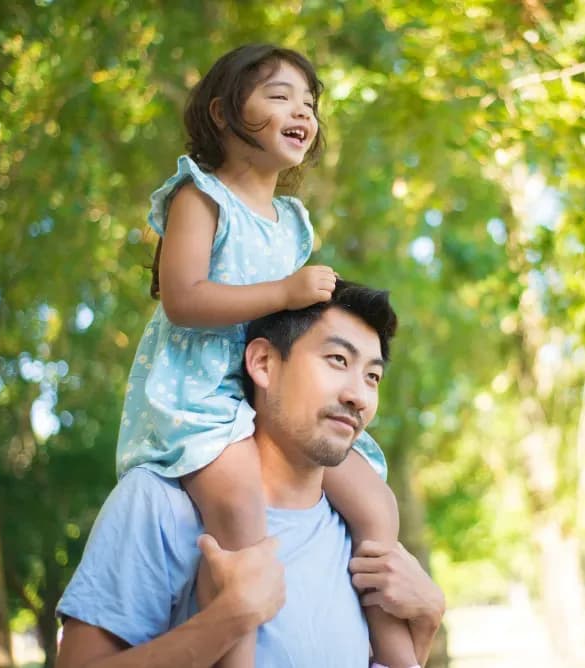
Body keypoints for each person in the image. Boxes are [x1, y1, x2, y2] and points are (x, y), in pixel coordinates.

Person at [113, 45, 414, 666]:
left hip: (269, 396)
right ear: (223, 113)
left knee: (377, 504)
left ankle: (399, 655)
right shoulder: (199, 197)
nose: (301, 111)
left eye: (309, 103)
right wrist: (283, 290)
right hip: (202, 396)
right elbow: (183, 299)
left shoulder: (291, 221)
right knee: (243, 511)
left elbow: (292, 331)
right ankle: (238, 656)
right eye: (279, 96)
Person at [56, 280, 445, 667]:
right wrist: (227, 620)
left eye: (372, 377)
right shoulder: (158, 504)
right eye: (337, 360)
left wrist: (426, 622)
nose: (357, 395)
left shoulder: (360, 537)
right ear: (263, 364)